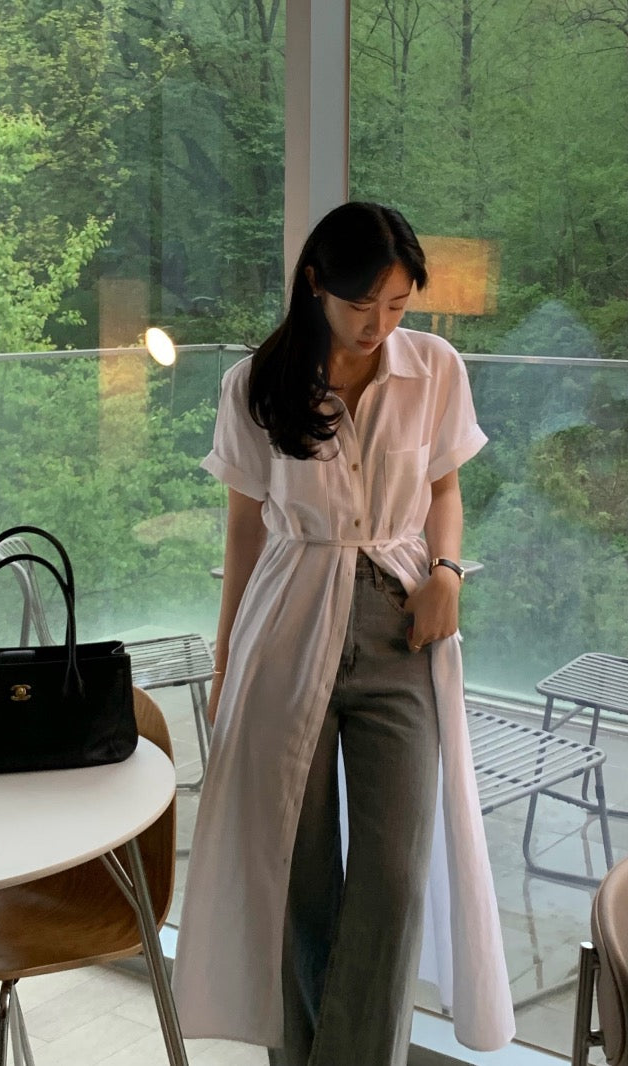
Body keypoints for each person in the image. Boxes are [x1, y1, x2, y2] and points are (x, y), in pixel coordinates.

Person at [171, 202, 515, 1066]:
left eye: (397, 304)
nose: (379, 324)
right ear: (317, 283)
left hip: (401, 624)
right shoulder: (256, 382)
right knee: (298, 868)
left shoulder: (435, 367)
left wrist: (447, 573)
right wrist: (226, 659)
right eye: (364, 304)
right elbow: (243, 529)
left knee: (394, 877)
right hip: (288, 619)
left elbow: (444, 489)